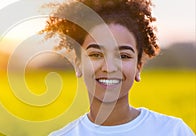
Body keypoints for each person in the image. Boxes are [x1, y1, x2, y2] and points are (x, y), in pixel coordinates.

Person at [40, 0, 195, 135]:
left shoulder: (172, 131)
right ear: (78, 64)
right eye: (96, 54)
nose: (109, 67)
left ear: (138, 67)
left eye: (123, 56)